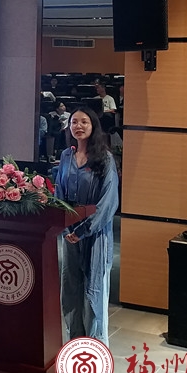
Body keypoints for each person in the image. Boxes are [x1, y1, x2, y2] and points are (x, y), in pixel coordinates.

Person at [54, 106, 120, 347]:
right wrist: (65, 227)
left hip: (95, 233)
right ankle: (74, 345)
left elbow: (108, 201)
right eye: (74, 122)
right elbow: (59, 193)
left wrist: (83, 230)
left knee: (94, 292)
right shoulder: (66, 156)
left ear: (93, 126)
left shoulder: (105, 158)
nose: (78, 126)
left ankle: (94, 347)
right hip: (69, 233)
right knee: (70, 289)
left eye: (84, 122)